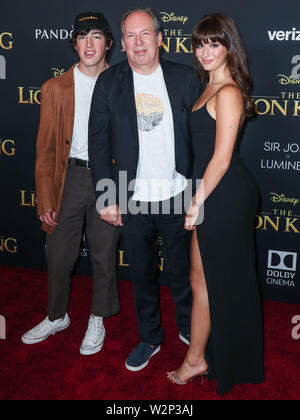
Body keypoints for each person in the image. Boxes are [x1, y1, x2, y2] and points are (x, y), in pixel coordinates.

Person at [89, 7, 202, 371]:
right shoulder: (110, 82)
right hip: (131, 194)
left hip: (179, 191)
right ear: (121, 44)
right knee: (142, 275)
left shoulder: (186, 78)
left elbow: (202, 140)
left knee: (183, 271)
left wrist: (198, 196)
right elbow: (98, 143)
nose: (139, 43)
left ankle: (187, 326)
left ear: (159, 38)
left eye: (145, 34)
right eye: (131, 36)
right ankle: (150, 336)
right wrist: (107, 198)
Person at [167, 13, 265, 395]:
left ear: (228, 47)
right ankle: (198, 357)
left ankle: (200, 359)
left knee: (217, 280)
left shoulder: (228, 91)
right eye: (200, 43)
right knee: (199, 279)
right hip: (209, 191)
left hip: (224, 194)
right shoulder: (206, 86)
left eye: (214, 43)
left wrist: (196, 203)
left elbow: (222, 157)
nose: (205, 51)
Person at [21, 12, 120, 356]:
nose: (89, 44)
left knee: (105, 254)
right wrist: (45, 198)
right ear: (74, 44)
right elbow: (45, 150)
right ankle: (56, 315)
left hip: (108, 177)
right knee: (59, 256)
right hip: (69, 177)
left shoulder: (124, 82)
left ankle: (98, 317)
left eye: (96, 36)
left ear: (108, 43)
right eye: (82, 36)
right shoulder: (55, 88)